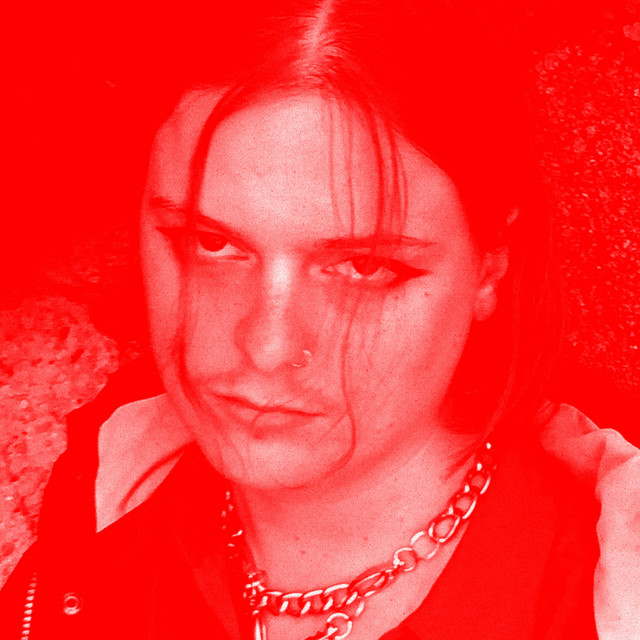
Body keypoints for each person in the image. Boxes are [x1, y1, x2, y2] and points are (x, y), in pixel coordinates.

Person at [1, 1, 638, 638]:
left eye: (364, 266)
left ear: (490, 266)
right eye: (211, 244)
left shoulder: (581, 600)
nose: (267, 346)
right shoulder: (104, 502)